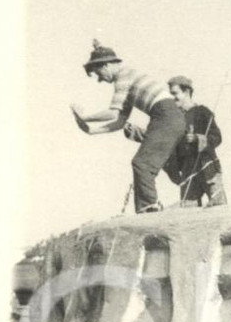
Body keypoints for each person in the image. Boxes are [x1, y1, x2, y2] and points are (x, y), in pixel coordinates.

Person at [71, 42, 187, 214]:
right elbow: (120, 121)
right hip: (169, 117)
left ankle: (149, 207)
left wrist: (85, 117)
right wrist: (91, 131)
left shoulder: (123, 76)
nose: (100, 79)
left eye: (98, 73)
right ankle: (148, 207)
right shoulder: (128, 78)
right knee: (145, 163)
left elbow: (112, 113)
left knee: (142, 164)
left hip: (165, 117)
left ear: (106, 65)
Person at [164, 76, 227, 207]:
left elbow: (217, 137)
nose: (172, 98)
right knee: (188, 211)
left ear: (187, 92)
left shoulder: (202, 112)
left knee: (219, 207)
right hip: (187, 170)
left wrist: (198, 138)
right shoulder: (173, 118)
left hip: (207, 166)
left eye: (175, 93)